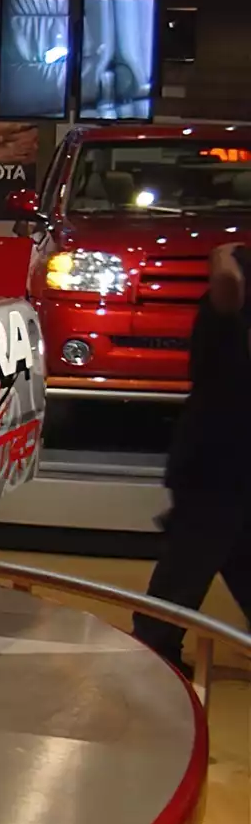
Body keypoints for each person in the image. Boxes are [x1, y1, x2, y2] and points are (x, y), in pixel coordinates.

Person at [133, 242, 251, 669]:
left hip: (232, 462)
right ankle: (153, 649)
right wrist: (226, 251)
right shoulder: (227, 315)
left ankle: (155, 645)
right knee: (190, 562)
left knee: (231, 553)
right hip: (215, 461)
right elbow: (226, 280)